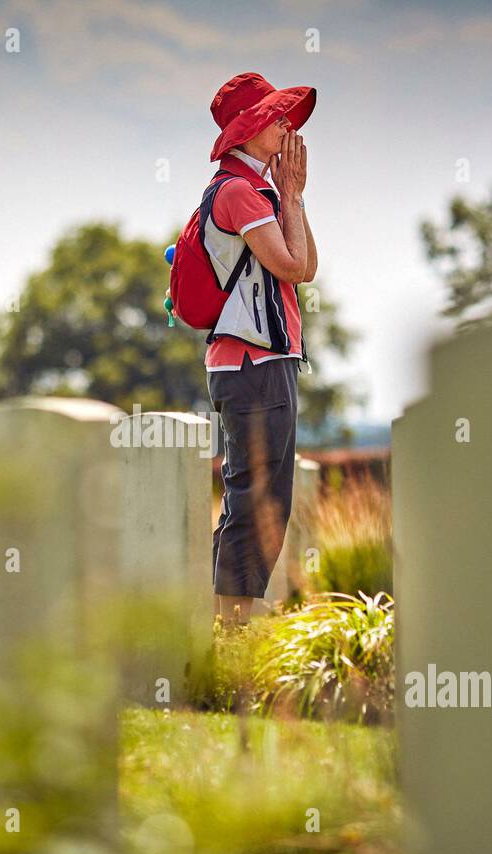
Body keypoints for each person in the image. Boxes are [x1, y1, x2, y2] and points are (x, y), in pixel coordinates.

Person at [202, 73, 317, 624]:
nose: (285, 125)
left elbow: (307, 268)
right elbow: (294, 265)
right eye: (274, 117)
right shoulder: (238, 191)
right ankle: (232, 630)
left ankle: (232, 625)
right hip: (253, 365)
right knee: (255, 498)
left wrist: (291, 197)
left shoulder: (259, 191)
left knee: (266, 497)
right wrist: (291, 195)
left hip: (268, 364)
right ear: (248, 129)